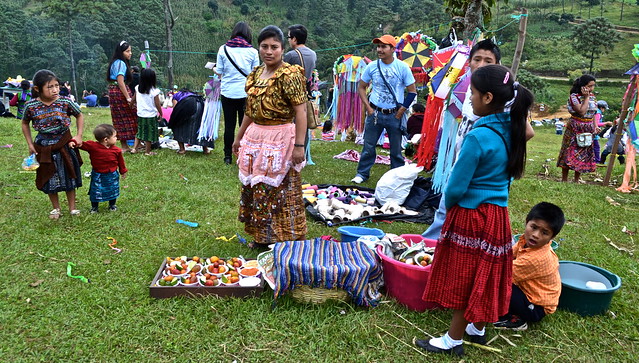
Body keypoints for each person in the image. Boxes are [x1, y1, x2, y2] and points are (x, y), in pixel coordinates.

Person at [417, 65, 534, 357]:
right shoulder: (513, 129)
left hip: (471, 214)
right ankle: (477, 328)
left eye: (472, 93)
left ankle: (452, 340)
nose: (469, 99)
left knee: (464, 275)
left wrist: (451, 203)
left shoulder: (478, 137)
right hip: (497, 216)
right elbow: (528, 128)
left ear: (488, 97)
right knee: (488, 270)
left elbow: (456, 185)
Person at [422, 39, 535, 240]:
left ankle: (431, 252)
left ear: (498, 65)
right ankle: (430, 248)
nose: (481, 64)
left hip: (477, 172)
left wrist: (495, 154)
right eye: (477, 59)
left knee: (455, 219)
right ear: (469, 62)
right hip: (464, 160)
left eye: (487, 60)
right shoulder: (469, 88)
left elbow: (526, 132)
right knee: (447, 218)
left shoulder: (502, 102)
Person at [232, 25, 308, 248]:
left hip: (280, 138)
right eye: (264, 46)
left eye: (274, 47)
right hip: (256, 137)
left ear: (282, 49)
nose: (269, 51)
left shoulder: (289, 74)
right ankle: (262, 237)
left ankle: (286, 238)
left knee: (280, 188)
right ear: (258, 48)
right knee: (257, 187)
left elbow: (301, 111)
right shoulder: (256, 74)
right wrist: (239, 137)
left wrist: (299, 146)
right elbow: (250, 109)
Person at [350, 34, 417, 184]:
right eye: (378, 46)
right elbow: (361, 87)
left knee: (396, 150)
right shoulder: (372, 66)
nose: (379, 50)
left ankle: (396, 177)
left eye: (383, 46)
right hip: (375, 113)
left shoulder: (402, 67)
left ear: (393, 49)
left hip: (395, 114)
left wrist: (402, 110)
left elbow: (412, 91)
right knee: (368, 146)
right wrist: (368, 107)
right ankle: (362, 174)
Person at [21, 69, 84, 219]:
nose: (55, 89)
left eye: (57, 85)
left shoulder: (65, 102)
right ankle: (56, 208)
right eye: (50, 87)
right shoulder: (31, 106)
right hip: (43, 146)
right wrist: (30, 144)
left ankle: (72, 208)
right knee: (49, 176)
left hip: (64, 143)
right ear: (37, 89)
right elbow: (25, 123)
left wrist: (79, 135)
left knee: (70, 174)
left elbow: (79, 114)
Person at [493, 202, 564, 331]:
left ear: (552, 237)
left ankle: (513, 319)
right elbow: (508, 255)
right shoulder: (526, 242)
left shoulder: (536, 258)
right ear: (526, 222)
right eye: (534, 227)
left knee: (499, 281)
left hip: (536, 307)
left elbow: (502, 273)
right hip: (527, 293)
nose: (536, 235)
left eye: (544, 232)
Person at [216, 21, 260, 165]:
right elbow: (256, 74)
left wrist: (215, 69)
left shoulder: (223, 49)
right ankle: (244, 155)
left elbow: (220, 71)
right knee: (245, 125)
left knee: (229, 125)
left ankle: (227, 156)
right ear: (248, 34)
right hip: (246, 94)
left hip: (227, 92)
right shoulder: (253, 52)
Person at [284, 24, 318, 164]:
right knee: (302, 125)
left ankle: (287, 154)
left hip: (291, 95)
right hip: (305, 95)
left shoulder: (291, 55)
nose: (288, 40)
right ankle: (301, 153)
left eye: (288, 37)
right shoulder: (313, 54)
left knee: (289, 126)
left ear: (294, 39)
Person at [557, 75, 599, 182]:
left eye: (593, 86)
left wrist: (595, 126)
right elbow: (582, 111)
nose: (591, 89)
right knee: (569, 150)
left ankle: (576, 179)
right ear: (583, 86)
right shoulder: (574, 97)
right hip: (575, 127)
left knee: (583, 152)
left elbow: (593, 113)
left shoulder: (593, 97)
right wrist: (586, 98)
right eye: (589, 86)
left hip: (588, 127)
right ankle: (564, 179)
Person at [78, 124, 127, 213]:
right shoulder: (92, 146)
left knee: (113, 189)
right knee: (95, 191)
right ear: (106, 139)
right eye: (115, 136)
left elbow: (121, 162)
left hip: (112, 174)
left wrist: (123, 171)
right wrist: (73, 141)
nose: (117, 138)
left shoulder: (116, 150)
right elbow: (81, 144)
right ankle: (94, 207)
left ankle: (112, 205)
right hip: (98, 174)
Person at [106, 41, 137, 152]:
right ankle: (136, 144)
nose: (130, 53)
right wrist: (128, 97)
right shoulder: (120, 63)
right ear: (121, 52)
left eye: (130, 51)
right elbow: (120, 82)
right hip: (119, 92)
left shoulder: (115, 62)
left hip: (113, 91)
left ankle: (125, 145)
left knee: (119, 117)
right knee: (132, 114)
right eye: (127, 51)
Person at [169, 88, 213, 154]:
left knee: (176, 124)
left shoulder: (176, 95)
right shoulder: (194, 95)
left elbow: (176, 109)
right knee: (201, 126)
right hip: (201, 103)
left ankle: (182, 149)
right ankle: (205, 149)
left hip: (187, 104)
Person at [132, 68, 162, 156]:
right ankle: (147, 151)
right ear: (153, 79)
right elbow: (157, 104)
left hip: (140, 114)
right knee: (149, 133)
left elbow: (133, 99)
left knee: (140, 131)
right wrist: (161, 113)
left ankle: (134, 148)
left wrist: (131, 105)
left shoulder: (138, 88)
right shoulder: (154, 91)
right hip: (151, 116)